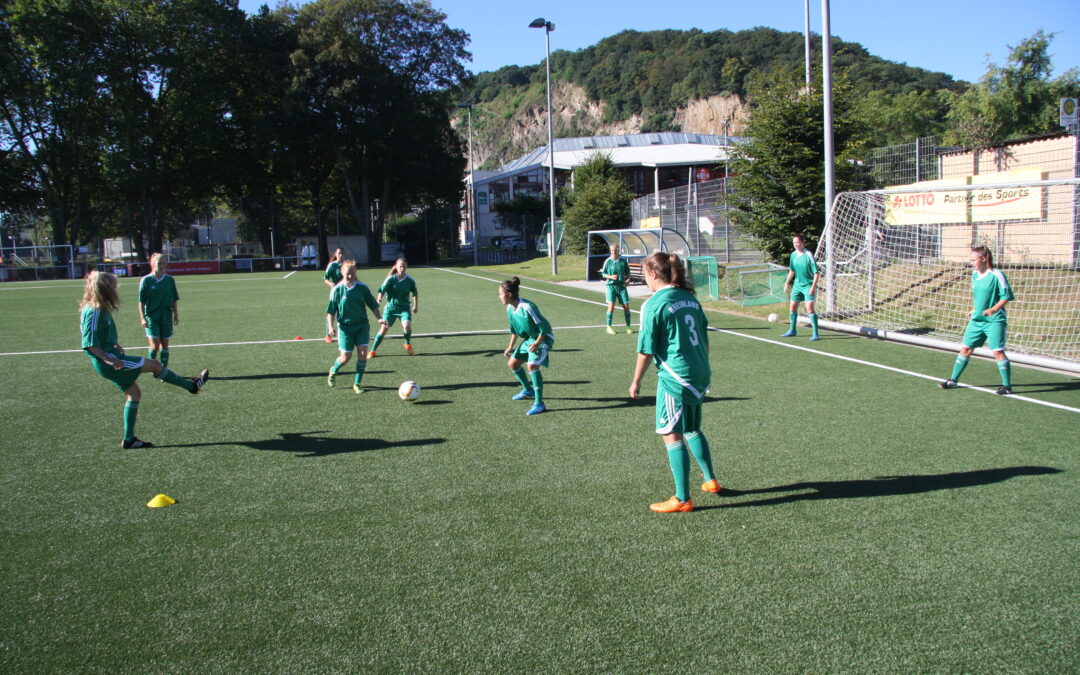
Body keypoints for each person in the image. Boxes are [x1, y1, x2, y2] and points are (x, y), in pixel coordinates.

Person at [629, 252, 719, 513]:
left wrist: (635, 381)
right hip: (699, 372)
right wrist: (701, 368)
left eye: (645, 274)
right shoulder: (689, 298)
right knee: (692, 427)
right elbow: (704, 338)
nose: (645, 279)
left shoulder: (654, 303)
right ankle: (710, 480)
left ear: (654, 273)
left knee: (671, 432)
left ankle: (682, 498)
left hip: (676, 376)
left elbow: (645, 349)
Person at [80, 270, 209, 449]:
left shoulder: (99, 307)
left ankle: (129, 439)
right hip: (110, 362)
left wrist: (115, 343)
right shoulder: (94, 311)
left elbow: (100, 334)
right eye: (114, 286)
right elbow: (88, 343)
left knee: (134, 394)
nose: (116, 290)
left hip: (111, 358)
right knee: (155, 365)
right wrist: (109, 359)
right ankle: (192, 386)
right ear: (105, 289)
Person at [939, 245, 1015, 395]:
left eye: (974, 259)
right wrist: (974, 309)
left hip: (994, 320)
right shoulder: (974, 275)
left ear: (984, 258)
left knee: (998, 351)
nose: (971, 262)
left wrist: (993, 309)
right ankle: (953, 380)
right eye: (970, 260)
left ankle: (1007, 386)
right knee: (965, 349)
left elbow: (1007, 296)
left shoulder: (997, 274)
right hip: (976, 320)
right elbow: (979, 297)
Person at [326, 260, 384, 393]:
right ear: (342, 273)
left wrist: (379, 318)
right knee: (345, 357)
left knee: (363, 354)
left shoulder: (362, 288)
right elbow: (331, 311)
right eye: (347, 273)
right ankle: (334, 370)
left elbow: (372, 305)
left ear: (355, 272)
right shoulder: (336, 290)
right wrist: (330, 327)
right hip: (345, 328)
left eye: (352, 273)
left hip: (362, 326)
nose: (350, 276)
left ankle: (357, 384)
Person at [499, 277, 554, 416]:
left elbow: (545, 328)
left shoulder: (528, 307)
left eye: (500, 294)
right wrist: (510, 347)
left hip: (543, 338)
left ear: (509, 294)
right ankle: (528, 390)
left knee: (532, 366)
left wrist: (537, 344)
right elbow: (514, 331)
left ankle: (539, 404)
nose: (499, 297)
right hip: (530, 339)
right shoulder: (510, 309)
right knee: (513, 364)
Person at [368, 258, 419, 357]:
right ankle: (372, 350)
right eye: (400, 266)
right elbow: (381, 290)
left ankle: (407, 343)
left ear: (406, 267)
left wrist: (415, 306)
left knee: (407, 326)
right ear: (396, 266)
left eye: (404, 266)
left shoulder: (410, 280)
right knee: (383, 329)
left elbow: (415, 293)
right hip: (390, 309)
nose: (402, 268)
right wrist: (379, 298)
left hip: (404, 308)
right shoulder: (391, 279)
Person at [138, 253, 180, 370]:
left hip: (166, 315)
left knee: (165, 344)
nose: (161, 266)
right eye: (159, 263)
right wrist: (142, 317)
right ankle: (152, 367)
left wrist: (176, 314)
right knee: (155, 345)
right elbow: (141, 301)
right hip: (151, 316)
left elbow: (174, 299)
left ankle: (163, 370)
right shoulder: (146, 280)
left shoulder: (170, 280)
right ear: (153, 264)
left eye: (163, 263)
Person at [780, 233, 821, 341]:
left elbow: (816, 273)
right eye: (794, 243)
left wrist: (812, 287)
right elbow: (792, 270)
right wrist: (787, 283)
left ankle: (815, 333)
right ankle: (792, 330)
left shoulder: (808, 255)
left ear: (803, 242)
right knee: (793, 307)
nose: (796, 244)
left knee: (810, 309)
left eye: (798, 242)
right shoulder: (793, 255)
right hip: (797, 285)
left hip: (808, 285)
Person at [601, 243, 634, 334]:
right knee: (611, 307)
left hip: (621, 287)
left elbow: (628, 274)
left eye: (615, 250)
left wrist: (628, 280)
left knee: (626, 306)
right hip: (611, 287)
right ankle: (609, 326)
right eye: (612, 250)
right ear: (610, 251)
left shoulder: (623, 261)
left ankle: (628, 327)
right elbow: (603, 274)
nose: (614, 252)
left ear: (618, 250)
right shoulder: (608, 261)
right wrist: (611, 277)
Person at [322, 248, 345, 343]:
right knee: (331, 311)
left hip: (345, 290)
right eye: (339, 253)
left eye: (342, 253)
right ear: (336, 254)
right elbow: (325, 278)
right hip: (335, 290)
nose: (340, 255)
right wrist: (331, 284)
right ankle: (328, 334)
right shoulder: (332, 265)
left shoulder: (346, 264)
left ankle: (345, 332)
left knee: (344, 309)